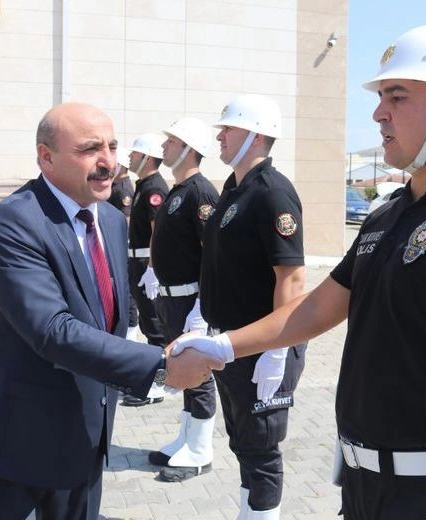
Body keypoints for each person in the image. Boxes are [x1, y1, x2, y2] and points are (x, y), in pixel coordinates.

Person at [171, 25, 426, 520]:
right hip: (364, 487)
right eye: (380, 97)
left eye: (397, 96)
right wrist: (224, 346)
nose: (378, 113)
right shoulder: (388, 215)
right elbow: (318, 307)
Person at [0, 102, 221, 520]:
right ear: (46, 157)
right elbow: (52, 330)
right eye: (90, 149)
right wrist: (161, 365)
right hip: (13, 438)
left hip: (85, 434)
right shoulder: (12, 223)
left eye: (111, 146)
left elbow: (105, 322)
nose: (107, 161)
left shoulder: (109, 219)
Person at [195, 94, 308, 519]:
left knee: (261, 451)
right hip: (232, 343)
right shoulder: (233, 190)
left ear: (256, 136)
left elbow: (291, 278)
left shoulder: (272, 193)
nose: (220, 136)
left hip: (262, 347)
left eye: (229, 128)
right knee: (243, 442)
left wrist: (277, 350)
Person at [145, 117, 220, 482]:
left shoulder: (200, 193)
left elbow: (213, 255)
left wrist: (202, 310)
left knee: (199, 374)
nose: (164, 147)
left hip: (192, 300)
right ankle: (186, 439)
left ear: (189, 149)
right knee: (184, 373)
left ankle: (201, 450)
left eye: (171, 141)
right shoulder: (178, 190)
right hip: (172, 299)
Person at [122, 132, 170, 406]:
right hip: (138, 262)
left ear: (148, 157)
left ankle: (158, 385)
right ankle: (152, 378)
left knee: (154, 325)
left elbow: (157, 232)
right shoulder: (144, 185)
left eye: (135, 153)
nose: (130, 157)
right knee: (147, 323)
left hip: (146, 263)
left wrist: (152, 268)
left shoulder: (154, 189)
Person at [106, 146, 140, 341]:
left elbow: (126, 220)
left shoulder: (123, 188)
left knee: (127, 289)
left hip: (123, 246)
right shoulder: (116, 186)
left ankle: (131, 329)